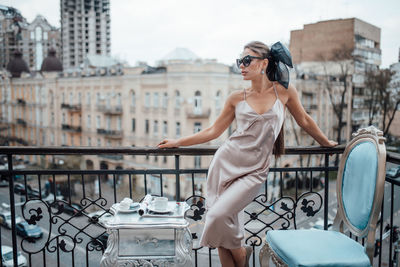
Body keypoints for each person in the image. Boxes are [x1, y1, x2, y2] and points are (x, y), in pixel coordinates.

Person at [157, 41, 337, 267]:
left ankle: (242, 254)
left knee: (216, 217)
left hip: (255, 171)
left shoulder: (284, 92)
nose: (241, 66)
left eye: (246, 60)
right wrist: (178, 142)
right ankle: (241, 256)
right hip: (225, 164)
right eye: (239, 61)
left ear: (264, 63)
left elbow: (305, 120)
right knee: (223, 227)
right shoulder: (236, 97)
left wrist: (326, 142)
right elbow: (214, 131)